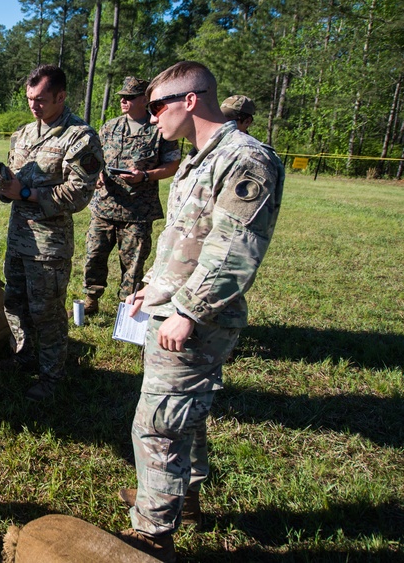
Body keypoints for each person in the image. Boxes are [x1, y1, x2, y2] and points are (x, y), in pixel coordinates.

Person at [117, 62, 284, 562]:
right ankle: (180, 499)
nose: (150, 121)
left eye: (157, 108)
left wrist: (187, 310)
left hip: (197, 320)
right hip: (172, 308)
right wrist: (151, 287)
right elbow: (182, 238)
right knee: (182, 418)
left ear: (190, 101)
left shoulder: (244, 160)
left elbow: (234, 251)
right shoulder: (198, 159)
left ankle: (152, 531)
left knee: (158, 423)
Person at [0, 64, 104, 401]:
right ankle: (24, 355)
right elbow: (16, 178)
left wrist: (27, 194)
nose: (33, 105)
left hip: (48, 246)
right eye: (30, 99)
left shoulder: (80, 136)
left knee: (47, 313)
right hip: (18, 239)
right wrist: (5, 185)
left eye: (41, 99)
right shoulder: (24, 133)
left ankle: (52, 376)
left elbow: (79, 193)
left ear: (61, 96)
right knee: (14, 303)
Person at [81, 77, 181, 315]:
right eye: (122, 97)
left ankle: (126, 311)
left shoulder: (160, 129)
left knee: (133, 265)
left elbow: (173, 165)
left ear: (145, 99)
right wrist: (97, 175)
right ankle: (90, 300)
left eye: (129, 97)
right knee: (94, 255)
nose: (123, 101)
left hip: (138, 211)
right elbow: (94, 157)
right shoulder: (110, 126)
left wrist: (144, 176)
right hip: (105, 206)